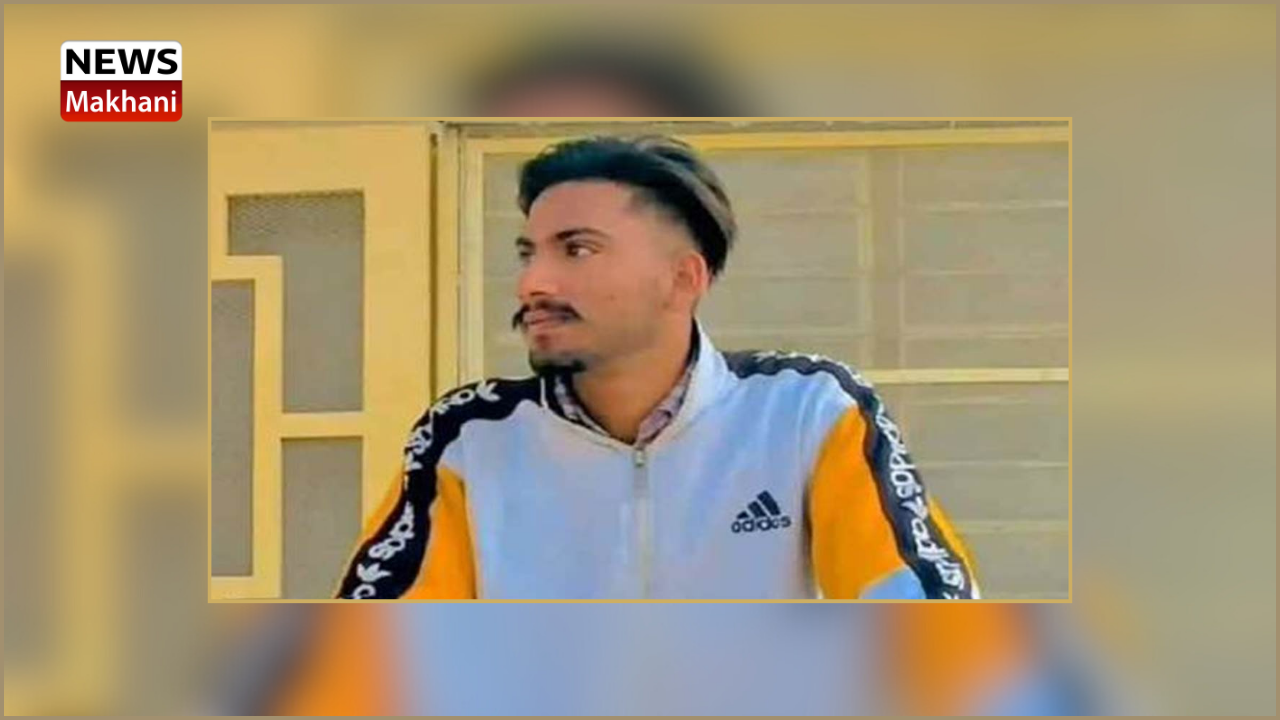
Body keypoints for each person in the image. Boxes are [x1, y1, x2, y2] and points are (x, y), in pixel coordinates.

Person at [333, 134, 977, 600]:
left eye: (576, 250)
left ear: (683, 279)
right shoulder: (469, 437)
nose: (533, 282)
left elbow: (929, 627)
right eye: (528, 253)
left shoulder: (804, 411)